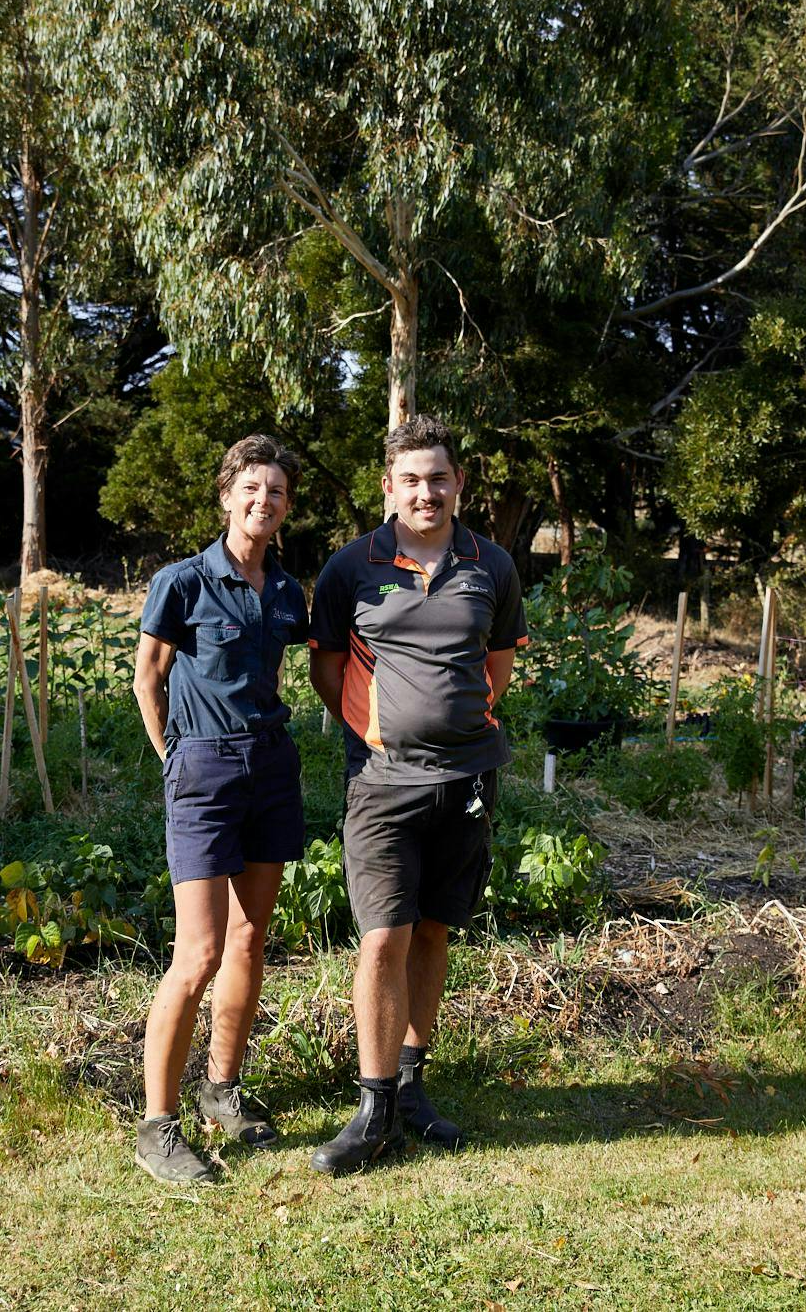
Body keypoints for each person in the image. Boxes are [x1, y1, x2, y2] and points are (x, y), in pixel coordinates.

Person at [306, 415, 527, 1175]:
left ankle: (412, 1088)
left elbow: (495, 667)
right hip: (382, 784)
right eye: (411, 480)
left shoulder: (491, 564)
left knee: (434, 931)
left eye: (439, 478)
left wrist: (453, 731)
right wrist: (378, 730)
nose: (426, 492)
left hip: (467, 779)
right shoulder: (350, 567)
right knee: (382, 939)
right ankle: (372, 1111)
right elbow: (328, 672)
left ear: (459, 483)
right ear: (387, 487)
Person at [130, 434, 310, 1184]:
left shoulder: (286, 591)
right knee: (197, 952)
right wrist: (174, 756)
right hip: (202, 765)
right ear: (227, 494)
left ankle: (223, 1090)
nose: (261, 501)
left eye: (275, 492)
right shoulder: (183, 581)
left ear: (285, 507)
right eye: (250, 488)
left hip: (270, 765)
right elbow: (148, 677)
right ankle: (157, 1127)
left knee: (249, 937)